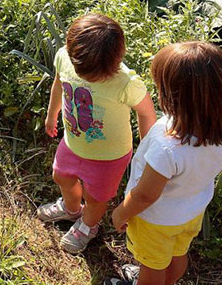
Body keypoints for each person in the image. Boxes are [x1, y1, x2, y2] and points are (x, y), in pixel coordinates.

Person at [106, 42, 222, 285]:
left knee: (152, 264)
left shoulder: (168, 144)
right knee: (177, 253)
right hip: (191, 210)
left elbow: (145, 195)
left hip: (155, 219)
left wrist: (121, 212)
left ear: (173, 96)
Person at [37, 14, 157, 254]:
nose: (83, 76)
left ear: (116, 62)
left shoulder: (126, 83)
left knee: (96, 198)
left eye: (93, 76)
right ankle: (71, 210)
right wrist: (52, 114)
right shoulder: (65, 57)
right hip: (72, 142)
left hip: (109, 157)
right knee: (61, 177)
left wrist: (147, 149)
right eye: (80, 70)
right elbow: (59, 84)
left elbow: (146, 113)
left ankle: (88, 226)